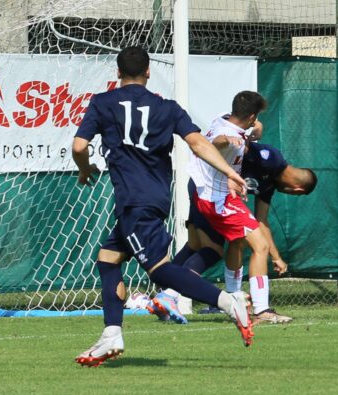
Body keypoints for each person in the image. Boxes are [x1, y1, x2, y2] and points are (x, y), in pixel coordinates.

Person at [72, 47, 254, 367]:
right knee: (108, 259)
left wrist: (84, 169)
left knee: (159, 269)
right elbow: (198, 143)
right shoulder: (166, 107)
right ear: (148, 73)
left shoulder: (102, 103)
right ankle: (111, 332)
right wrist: (228, 171)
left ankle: (228, 301)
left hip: (133, 202)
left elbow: (78, 146)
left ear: (117, 73)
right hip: (154, 198)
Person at [165, 125, 318, 324]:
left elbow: (261, 221)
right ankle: (170, 294)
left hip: (212, 194)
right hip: (207, 190)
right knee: (213, 249)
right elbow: (242, 146)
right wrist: (253, 130)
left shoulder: (269, 184)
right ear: (297, 190)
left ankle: (225, 296)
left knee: (211, 243)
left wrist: (276, 256)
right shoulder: (270, 158)